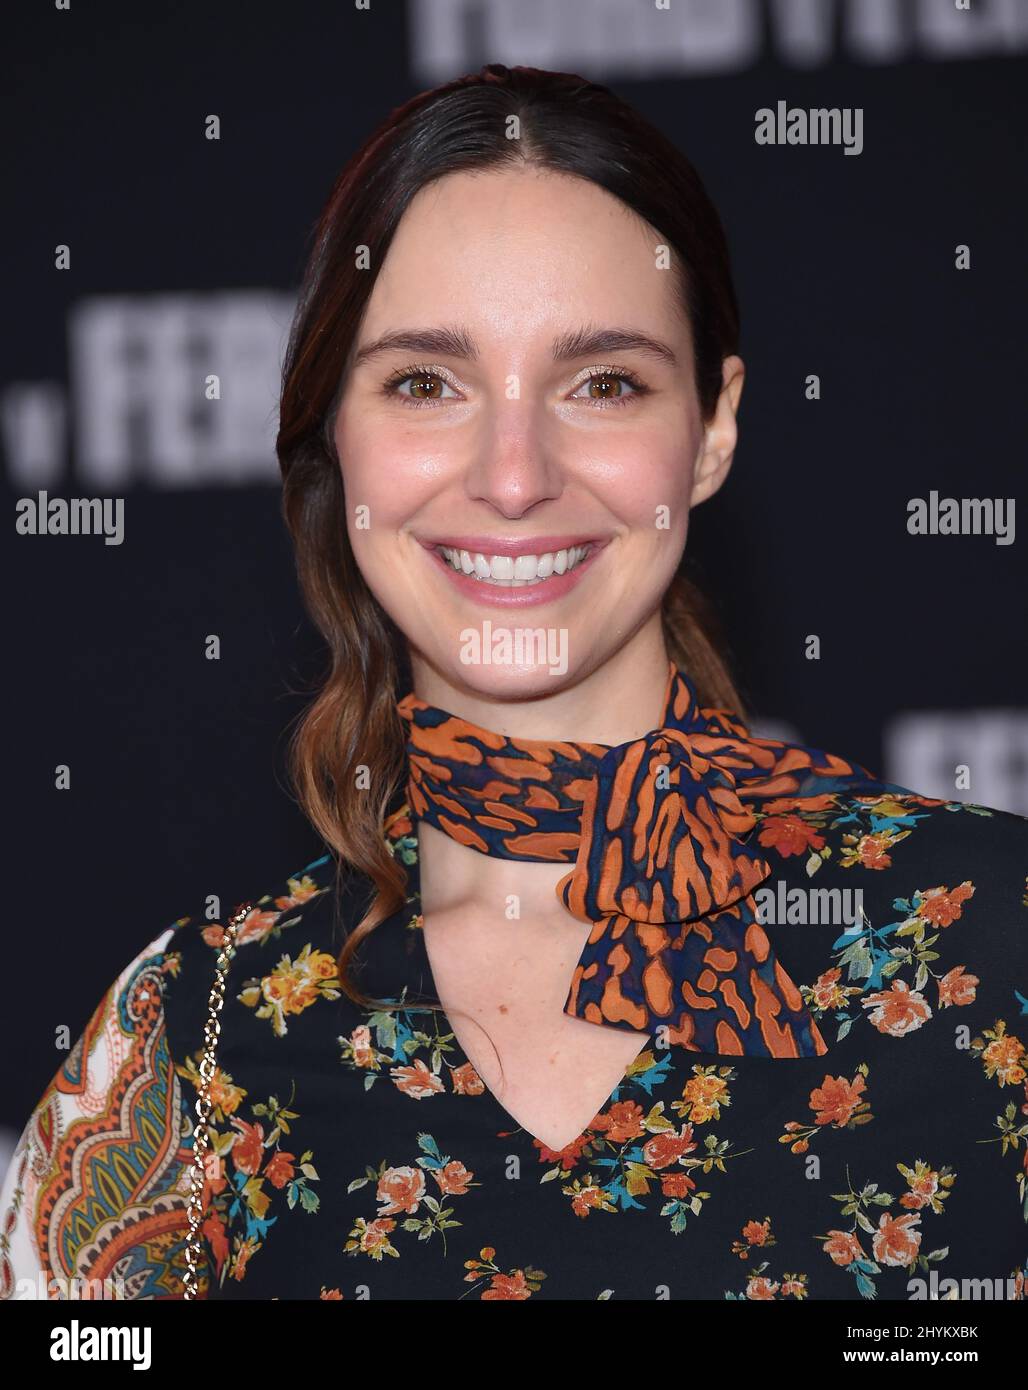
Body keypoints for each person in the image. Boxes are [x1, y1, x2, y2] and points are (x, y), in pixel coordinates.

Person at [2, 63, 1025, 1303]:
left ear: (709, 427)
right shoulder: (196, 1041)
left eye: (602, 382)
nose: (512, 473)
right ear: (337, 429)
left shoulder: (993, 938)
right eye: (425, 382)